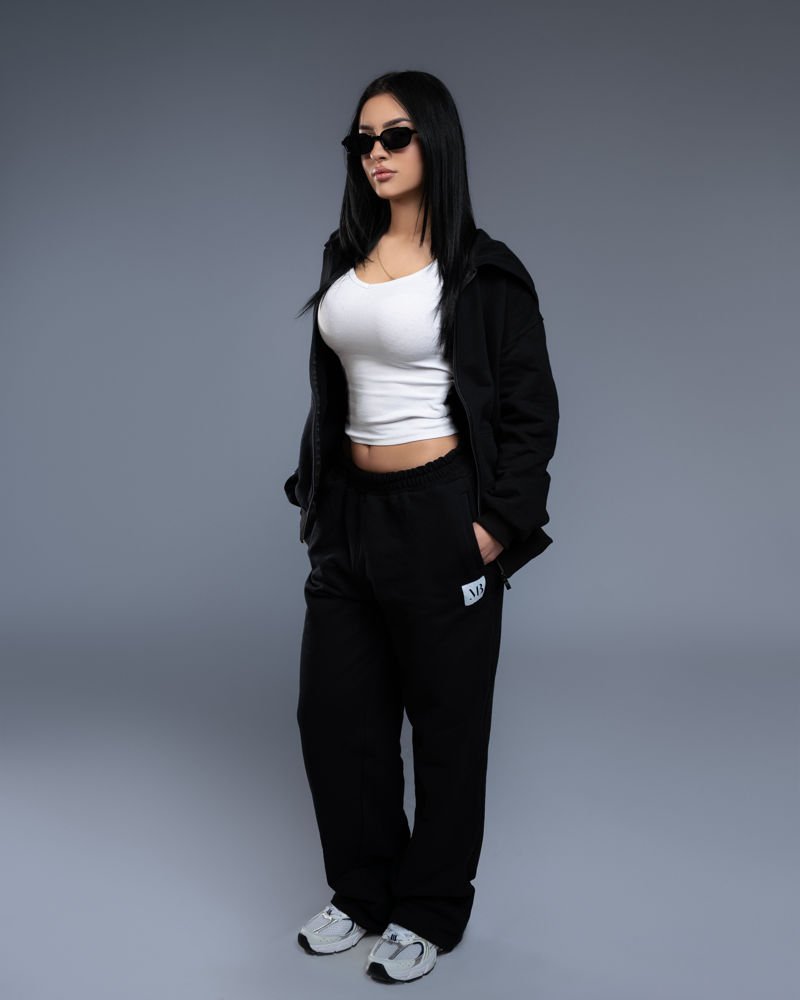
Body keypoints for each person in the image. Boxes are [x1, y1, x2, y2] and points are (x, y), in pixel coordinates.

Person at [282, 70, 559, 984]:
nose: (377, 153)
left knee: (446, 728)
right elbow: (336, 385)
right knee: (336, 718)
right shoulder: (347, 253)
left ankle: (429, 910)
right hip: (348, 518)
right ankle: (363, 893)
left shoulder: (482, 269)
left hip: (441, 516)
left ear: (435, 140)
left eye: (395, 135)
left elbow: (529, 411)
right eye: (362, 139)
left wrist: (495, 528)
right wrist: (315, 487)